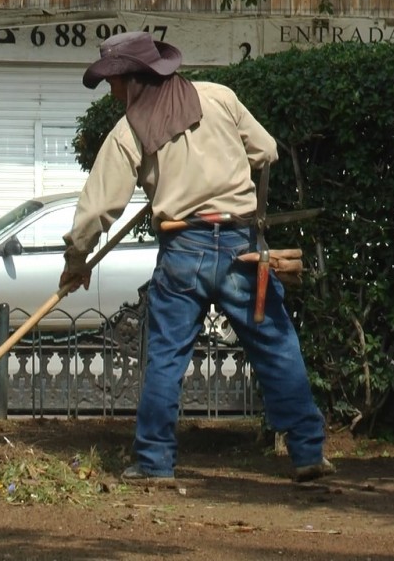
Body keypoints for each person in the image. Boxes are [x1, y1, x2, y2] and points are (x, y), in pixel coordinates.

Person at [59, 31, 333, 485]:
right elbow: (265, 151)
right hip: (241, 247)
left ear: (135, 79)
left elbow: (97, 208)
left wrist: (76, 259)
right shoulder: (219, 97)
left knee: (166, 357)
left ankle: (153, 463)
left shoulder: (130, 131)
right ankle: (307, 453)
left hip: (183, 249)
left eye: (114, 81)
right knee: (277, 346)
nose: (112, 91)